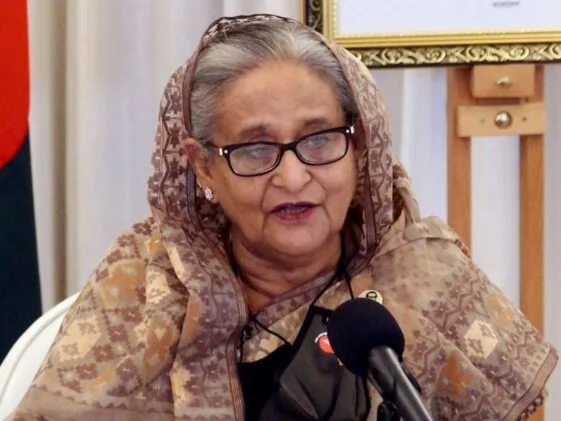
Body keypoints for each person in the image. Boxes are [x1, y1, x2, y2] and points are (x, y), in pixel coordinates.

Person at [11, 14, 557, 421]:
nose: (293, 178)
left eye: (319, 139)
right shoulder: (142, 290)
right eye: (254, 149)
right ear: (203, 165)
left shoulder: (428, 279)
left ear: (358, 144)